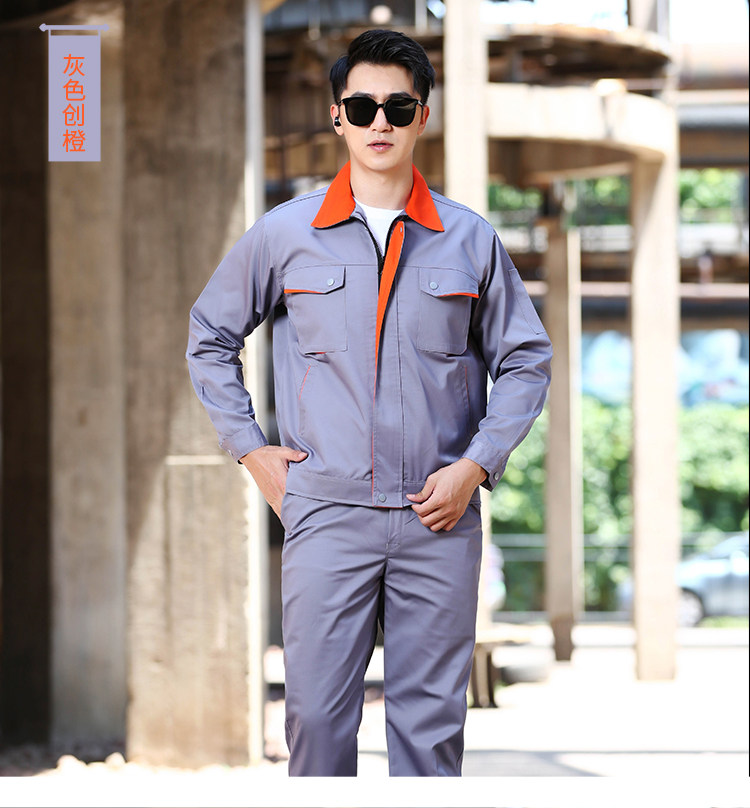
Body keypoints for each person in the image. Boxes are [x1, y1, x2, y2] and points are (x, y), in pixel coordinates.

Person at [186, 28, 552, 777]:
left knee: (430, 733)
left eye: (398, 107)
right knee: (317, 725)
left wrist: (475, 467)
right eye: (362, 107)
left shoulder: (469, 240)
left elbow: (525, 360)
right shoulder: (285, 234)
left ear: (422, 117)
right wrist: (251, 451)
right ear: (337, 117)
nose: (379, 122)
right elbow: (208, 337)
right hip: (327, 512)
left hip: (438, 515)